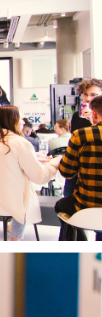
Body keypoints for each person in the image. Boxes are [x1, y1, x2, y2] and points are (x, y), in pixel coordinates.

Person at [0, 106, 55, 240]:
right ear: (12, 121)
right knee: (25, 195)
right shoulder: (20, 143)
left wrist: (33, 155)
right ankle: (15, 239)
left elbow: (5, 159)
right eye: (20, 118)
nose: (23, 122)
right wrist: (56, 163)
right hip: (11, 202)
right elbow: (40, 177)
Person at [59, 78, 102, 240]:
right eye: (85, 94)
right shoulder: (77, 116)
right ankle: (79, 244)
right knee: (70, 210)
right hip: (77, 171)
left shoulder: (93, 119)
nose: (89, 98)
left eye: (94, 94)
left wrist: (94, 121)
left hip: (93, 171)